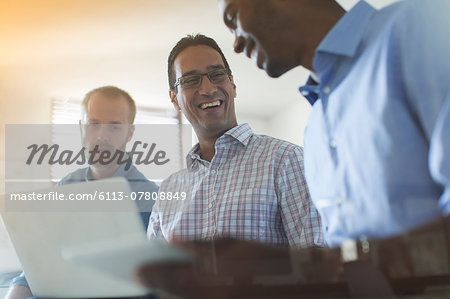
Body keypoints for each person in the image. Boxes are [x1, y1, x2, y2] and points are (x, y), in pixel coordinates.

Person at [136, 0, 450, 297]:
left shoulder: (418, 30)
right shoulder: (318, 128)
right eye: (190, 81)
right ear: (174, 98)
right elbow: (344, 271)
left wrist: (276, 269)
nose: (236, 43)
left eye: (233, 17)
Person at [148, 34, 323, 248]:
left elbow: (316, 261)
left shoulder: (286, 160)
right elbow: (151, 276)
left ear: (232, 84)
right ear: (174, 98)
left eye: (217, 75)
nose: (208, 89)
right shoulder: (168, 190)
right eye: (191, 80)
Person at [6, 86, 159, 299]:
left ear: (130, 132)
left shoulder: (153, 199)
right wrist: (15, 292)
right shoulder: (66, 186)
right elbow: (41, 262)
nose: (102, 136)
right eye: (93, 124)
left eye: (114, 127)